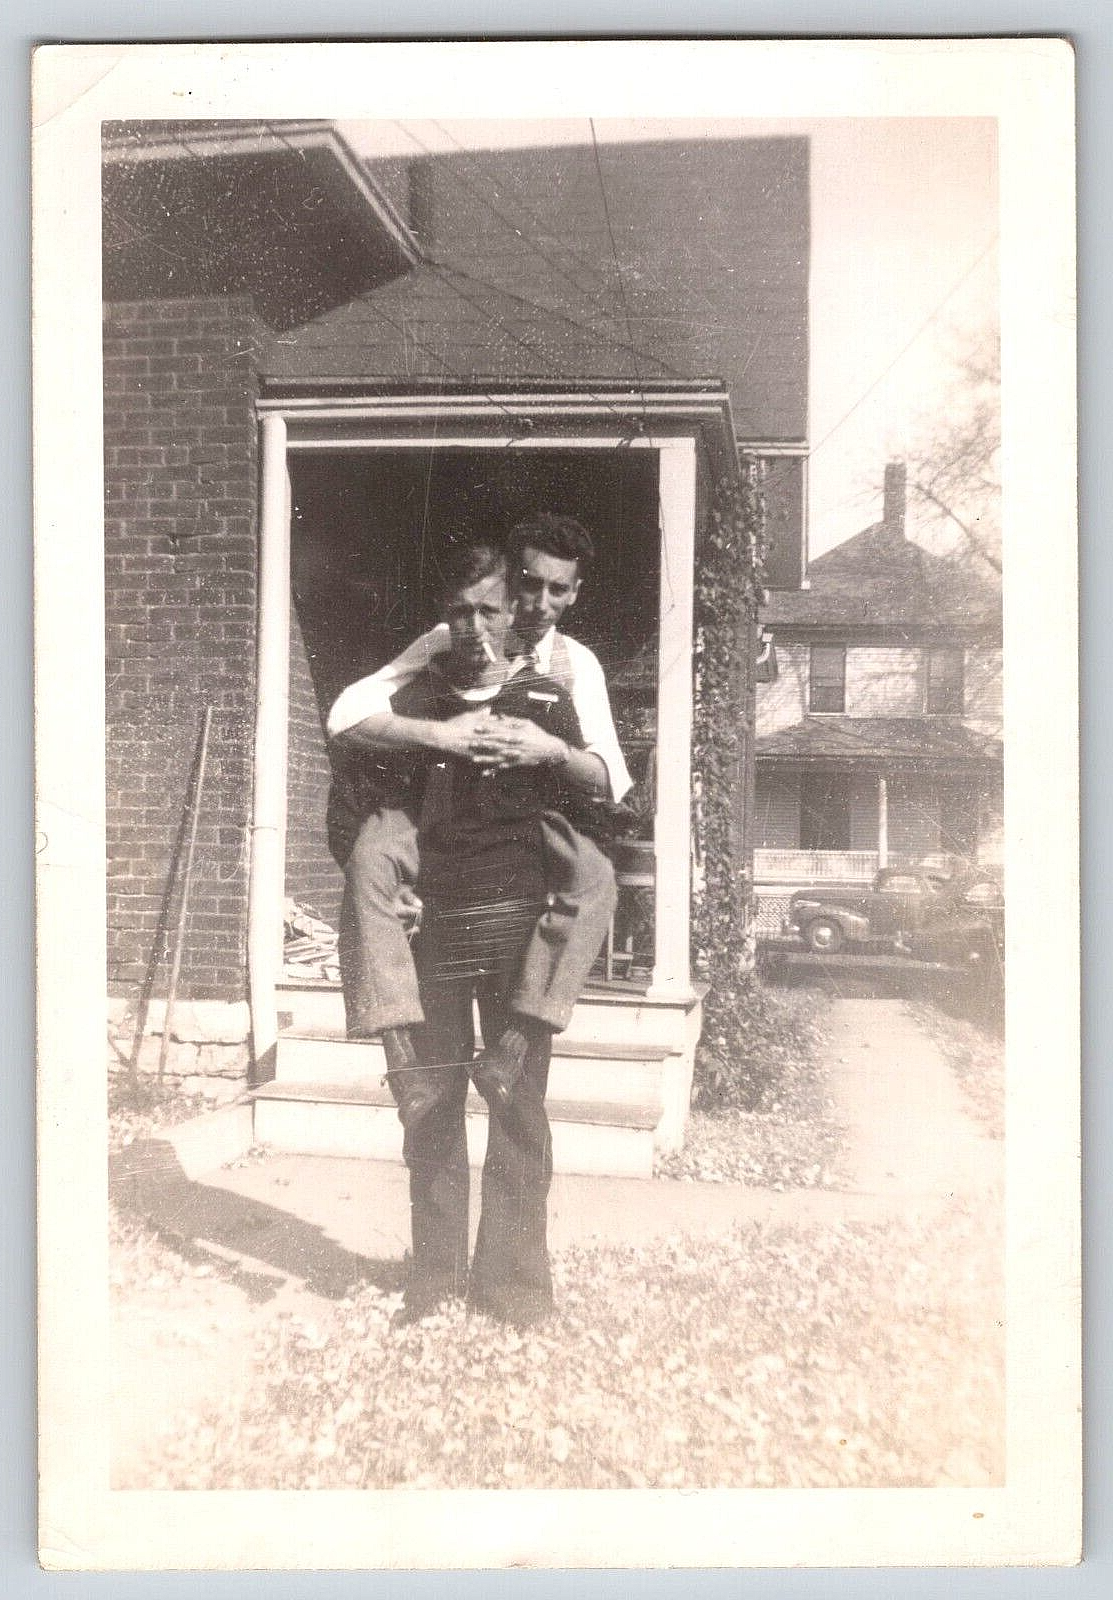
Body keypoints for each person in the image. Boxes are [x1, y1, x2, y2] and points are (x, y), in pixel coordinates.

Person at [354, 542, 600, 1326]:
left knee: (519, 1113)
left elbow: (588, 818)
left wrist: (548, 756)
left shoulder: (545, 701)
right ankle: (430, 1284)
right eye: (458, 610)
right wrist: (394, 879)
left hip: (516, 928)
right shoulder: (418, 704)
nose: (472, 625)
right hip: (434, 928)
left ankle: (515, 1289)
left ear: (512, 613)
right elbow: (361, 802)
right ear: (444, 615)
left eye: (487, 609)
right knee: (430, 1110)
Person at [326, 513, 631, 1110]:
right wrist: (446, 735)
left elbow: (609, 778)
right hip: (444, 829)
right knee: (370, 861)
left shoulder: (574, 665)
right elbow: (347, 713)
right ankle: (399, 1055)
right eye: (530, 585)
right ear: (508, 584)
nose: (541, 604)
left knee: (595, 877)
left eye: (558, 590)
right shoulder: (449, 639)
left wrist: (548, 749)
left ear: (574, 593)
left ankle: (520, 1037)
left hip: (522, 830)